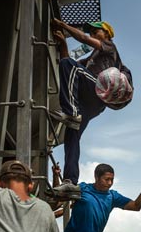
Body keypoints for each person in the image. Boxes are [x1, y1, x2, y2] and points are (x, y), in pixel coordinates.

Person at [50, 18, 127, 192]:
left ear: (106, 33)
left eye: (96, 31)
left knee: (70, 66)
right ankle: (70, 181)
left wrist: (63, 26)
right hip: (91, 103)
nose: (92, 34)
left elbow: (83, 41)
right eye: (91, 32)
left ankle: (71, 111)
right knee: (72, 135)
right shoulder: (92, 58)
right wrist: (63, 45)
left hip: (99, 89)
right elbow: (69, 63)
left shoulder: (109, 46)